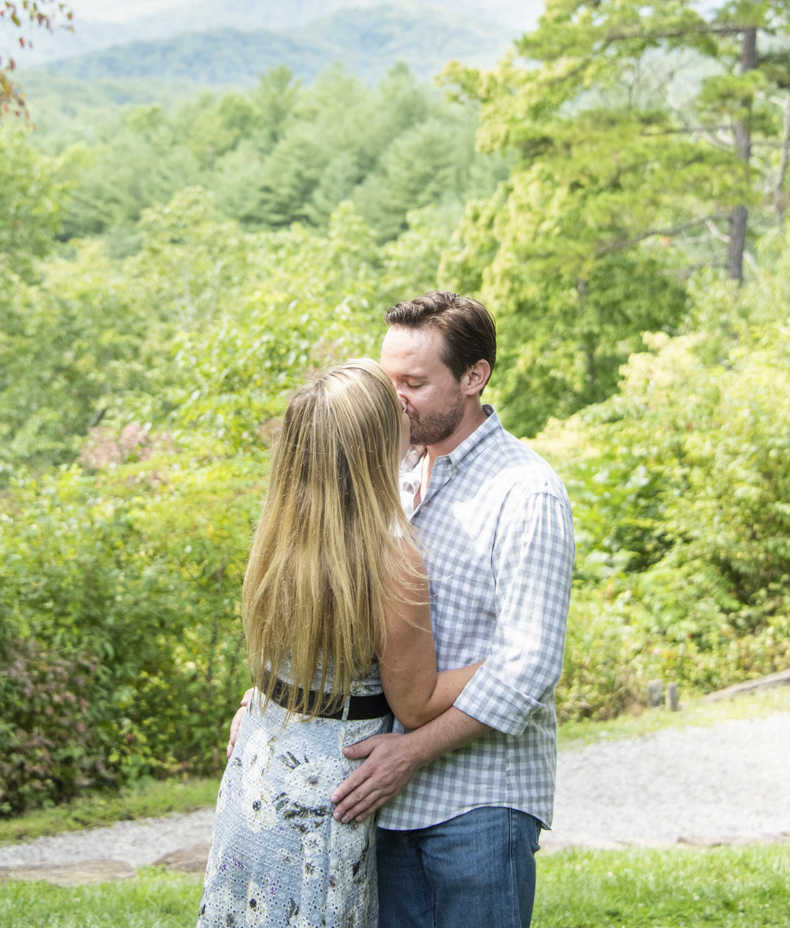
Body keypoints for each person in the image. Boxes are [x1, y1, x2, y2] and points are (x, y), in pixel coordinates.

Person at [229, 291, 575, 928]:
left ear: (474, 378)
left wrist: (413, 751)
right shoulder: (385, 472)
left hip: (473, 805)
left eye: (413, 382)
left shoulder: (525, 493)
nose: (394, 400)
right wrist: (282, 702)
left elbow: (530, 666)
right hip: (377, 801)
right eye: (389, 382)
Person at [198, 358, 483, 928]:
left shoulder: (286, 527)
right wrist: (505, 663)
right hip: (327, 789)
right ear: (373, 443)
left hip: (261, 766)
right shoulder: (390, 554)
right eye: (395, 409)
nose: (410, 412)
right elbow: (417, 701)